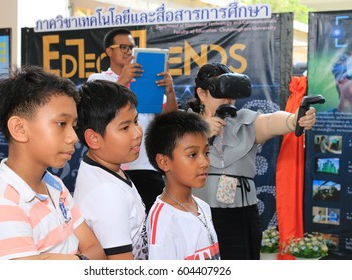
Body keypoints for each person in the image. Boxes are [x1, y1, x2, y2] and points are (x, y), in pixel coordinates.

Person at [188, 63, 317, 260]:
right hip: (197, 213)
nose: (228, 100)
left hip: (241, 216)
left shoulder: (244, 122)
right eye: (221, 93)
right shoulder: (181, 125)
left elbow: (270, 121)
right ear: (202, 93)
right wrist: (199, 132)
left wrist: (294, 119)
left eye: (232, 94)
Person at [0, 65, 106, 260]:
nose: (73, 137)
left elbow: (97, 251)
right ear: (19, 128)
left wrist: (65, 261)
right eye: (61, 124)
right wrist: (81, 258)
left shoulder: (54, 185)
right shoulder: (3, 205)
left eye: (74, 126)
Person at [87, 28, 178, 213]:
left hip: (146, 165)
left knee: (150, 223)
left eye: (131, 47)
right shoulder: (98, 80)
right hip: (111, 166)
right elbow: (98, 110)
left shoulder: (147, 81)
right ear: (109, 51)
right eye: (123, 47)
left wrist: (169, 91)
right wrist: (123, 79)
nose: (129, 51)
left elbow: (169, 120)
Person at [73, 80, 148, 260]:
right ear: (94, 138)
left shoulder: (107, 169)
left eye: (136, 121)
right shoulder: (107, 193)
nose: (138, 132)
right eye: (125, 127)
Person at [145, 111, 220, 260]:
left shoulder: (202, 207)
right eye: (192, 154)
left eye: (206, 153)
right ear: (164, 162)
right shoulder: (163, 221)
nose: (204, 163)